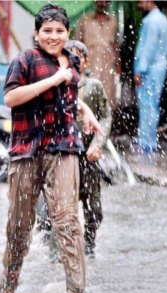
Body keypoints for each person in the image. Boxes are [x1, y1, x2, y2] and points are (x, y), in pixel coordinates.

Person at [0, 4, 103, 293]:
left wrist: (87, 111)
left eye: (59, 31)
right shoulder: (25, 59)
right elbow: (11, 98)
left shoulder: (72, 61)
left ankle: (76, 291)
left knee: (67, 221)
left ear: (68, 33)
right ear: (36, 33)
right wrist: (54, 79)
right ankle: (7, 288)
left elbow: (69, 96)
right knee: (19, 226)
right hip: (27, 148)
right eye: (47, 31)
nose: (53, 36)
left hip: (64, 148)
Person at [37, 40, 112, 260]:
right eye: (69, 56)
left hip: (87, 153)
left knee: (93, 207)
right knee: (57, 206)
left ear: (86, 61)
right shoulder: (52, 83)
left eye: (79, 56)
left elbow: (105, 116)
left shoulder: (93, 86)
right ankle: (53, 252)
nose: (73, 60)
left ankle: (88, 247)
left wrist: (98, 144)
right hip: (60, 152)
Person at [133, 0, 167, 154]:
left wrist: (140, 70)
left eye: (141, 2)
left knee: (147, 105)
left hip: (150, 69)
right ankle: (149, 139)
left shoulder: (151, 22)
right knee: (152, 104)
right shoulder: (163, 20)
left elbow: (148, 47)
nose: (140, 5)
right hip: (159, 67)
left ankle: (146, 142)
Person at [74, 0, 121, 109]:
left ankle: (105, 125)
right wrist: (78, 66)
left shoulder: (113, 21)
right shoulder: (85, 20)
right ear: (95, 2)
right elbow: (77, 45)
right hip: (89, 66)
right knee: (88, 98)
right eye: (100, 1)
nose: (102, 4)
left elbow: (115, 45)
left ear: (108, 3)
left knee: (108, 99)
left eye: (105, 1)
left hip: (108, 67)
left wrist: (118, 64)